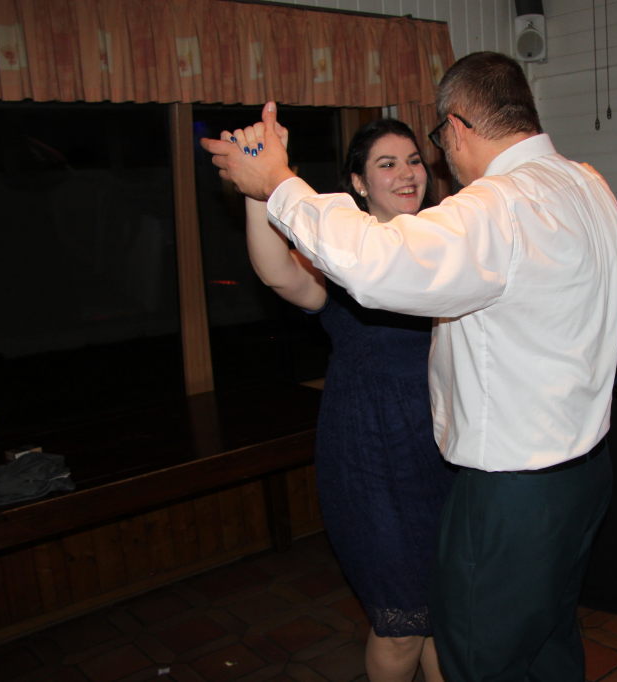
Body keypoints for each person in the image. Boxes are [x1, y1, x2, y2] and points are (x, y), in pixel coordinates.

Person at [202, 51, 617, 681]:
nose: (426, 166)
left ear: (456, 128)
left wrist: (278, 181)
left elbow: (376, 265)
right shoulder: (586, 183)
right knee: (545, 639)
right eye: (390, 163)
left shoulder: (492, 208)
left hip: (514, 488)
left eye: (428, 148)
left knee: (481, 658)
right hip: (582, 471)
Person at [235, 118, 454, 682]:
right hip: (369, 455)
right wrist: (261, 187)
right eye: (387, 164)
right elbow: (277, 274)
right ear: (358, 182)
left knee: (442, 616)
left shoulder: (445, 242)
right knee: (400, 624)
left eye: (414, 160)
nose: (407, 173)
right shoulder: (343, 250)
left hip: (442, 451)